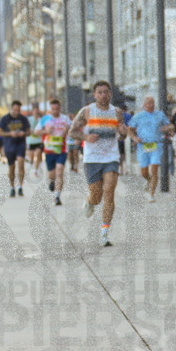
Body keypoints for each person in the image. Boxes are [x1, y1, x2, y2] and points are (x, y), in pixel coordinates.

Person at [69, 81, 128, 247]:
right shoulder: (87, 111)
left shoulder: (116, 112)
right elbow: (72, 131)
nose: (103, 95)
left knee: (109, 192)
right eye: (100, 92)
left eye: (106, 92)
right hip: (92, 158)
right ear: (95, 95)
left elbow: (122, 135)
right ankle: (90, 201)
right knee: (97, 196)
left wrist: (123, 133)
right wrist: (87, 138)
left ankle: (104, 232)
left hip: (111, 157)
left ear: (110, 94)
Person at [129, 94, 173, 202]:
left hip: (156, 144)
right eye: (148, 103)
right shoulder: (139, 116)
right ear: (144, 104)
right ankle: (148, 180)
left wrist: (166, 128)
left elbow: (170, 126)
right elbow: (129, 129)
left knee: (154, 170)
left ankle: (151, 194)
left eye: (152, 103)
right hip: (143, 146)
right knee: (144, 172)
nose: (151, 105)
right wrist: (134, 137)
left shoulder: (160, 114)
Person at [34, 98, 71, 206]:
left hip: (62, 149)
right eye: (53, 109)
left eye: (57, 109)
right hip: (49, 150)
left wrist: (67, 130)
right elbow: (36, 132)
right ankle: (51, 181)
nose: (55, 111)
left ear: (60, 108)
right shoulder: (45, 119)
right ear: (51, 109)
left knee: (60, 171)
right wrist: (46, 131)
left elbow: (72, 128)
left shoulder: (65, 119)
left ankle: (57, 196)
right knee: (52, 174)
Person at [0, 101, 30, 197]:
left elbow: (28, 132)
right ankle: (12, 187)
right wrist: (10, 133)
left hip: (20, 144)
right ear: (12, 109)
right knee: (11, 167)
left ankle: (20, 186)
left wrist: (23, 133)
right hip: (9, 145)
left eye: (18, 110)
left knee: (21, 163)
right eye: (15, 110)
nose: (17, 112)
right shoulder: (5, 119)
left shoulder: (23, 119)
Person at [26, 106, 44, 180]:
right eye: (35, 111)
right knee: (32, 156)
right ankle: (32, 163)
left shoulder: (41, 120)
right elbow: (27, 128)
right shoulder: (29, 119)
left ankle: (36, 169)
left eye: (37, 110)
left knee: (39, 152)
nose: (36, 112)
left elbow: (43, 128)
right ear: (32, 111)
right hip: (31, 140)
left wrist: (40, 132)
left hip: (39, 140)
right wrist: (32, 131)